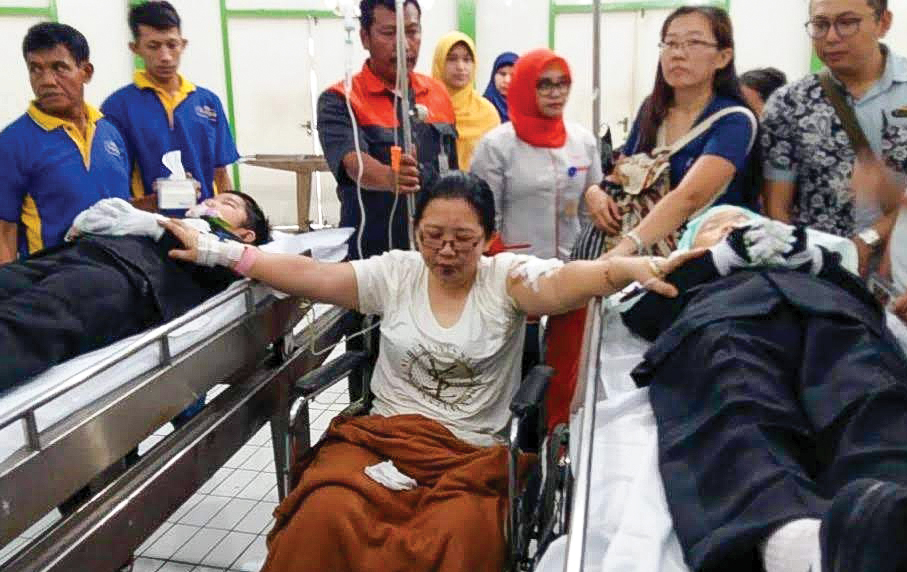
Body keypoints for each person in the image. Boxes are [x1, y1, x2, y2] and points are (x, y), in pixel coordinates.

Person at [158, 171, 702, 572]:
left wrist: (631, 266)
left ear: (488, 237)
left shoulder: (506, 279)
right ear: (416, 231)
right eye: (432, 236)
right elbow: (310, 274)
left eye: (463, 239)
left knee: (462, 539)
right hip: (383, 440)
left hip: (470, 456)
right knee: (323, 514)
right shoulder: (395, 274)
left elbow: (570, 281)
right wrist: (220, 251)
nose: (445, 251)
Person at [620, 205, 907, 572]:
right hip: (722, 318)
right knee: (737, 396)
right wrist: (713, 262)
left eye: (743, 222)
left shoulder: (821, 269)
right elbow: (639, 312)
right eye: (715, 227)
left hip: (832, 314)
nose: (733, 227)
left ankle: (889, 506)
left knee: (868, 386)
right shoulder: (688, 272)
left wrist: (820, 263)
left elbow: (870, 304)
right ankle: (792, 542)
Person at [0, 191, 270, 390]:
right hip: (75, 254)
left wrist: (154, 225)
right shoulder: (163, 221)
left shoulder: (229, 250)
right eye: (214, 198)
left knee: (24, 322)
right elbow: (100, 216)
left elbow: (239, 266)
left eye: (228, 204)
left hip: (122, 278)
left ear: (246, 235)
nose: (213, 202)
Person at [582, 6, 759, 260]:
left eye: (694, 42)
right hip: (639, 257)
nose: (678, 53)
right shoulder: (652, 110)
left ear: (723, 57)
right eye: (671, 43)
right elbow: (623, 174)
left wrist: (623, 250)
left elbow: (689, 197)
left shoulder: (735, 121)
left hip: (703, 260)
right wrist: (595, 193)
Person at [761, 0, 904, 275]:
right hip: (823, 278)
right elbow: (777, 208)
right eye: (820, 25)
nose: (831, 37)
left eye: (847, 22)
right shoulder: (789, 103)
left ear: (883, 22)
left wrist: (869, 239)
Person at [317, 0, 458, 260]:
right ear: (364, 38)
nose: (404, 45)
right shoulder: (341, 99)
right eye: (389, 33)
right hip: (371, 253)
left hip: (436, 254)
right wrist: (389, 178)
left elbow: (451, 170)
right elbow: (353, 162)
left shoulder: (437, 94)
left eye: (412, 32)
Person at [0, 23, 131, 264]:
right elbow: (4, 230)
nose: (47, 81)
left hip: (120, 277)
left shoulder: (110, 133)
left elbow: (120, 207)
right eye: (36, 69)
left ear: (86, 72)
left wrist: (158, 201)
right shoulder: (11, 143)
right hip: (52, 285)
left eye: (59, 68)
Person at [101, 1, 240, 205]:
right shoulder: (117, 107)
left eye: (172, 45)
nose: (165, 56)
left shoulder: (208, 102)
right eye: (153, 46)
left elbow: (220, 172)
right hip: (148, 226)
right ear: (135, 48)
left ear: (183, 45)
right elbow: (115, 177)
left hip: (206, 222)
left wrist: (231, 219)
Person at [471, 48, 602, 261]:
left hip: (574, 268)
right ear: (524, 86)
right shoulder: (496, 147)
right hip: (516, 269)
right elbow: (483, 219)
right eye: (544, 84)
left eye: (562, 83)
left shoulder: (583, 142)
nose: (556, 93)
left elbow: (591, 213)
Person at [432, 31, 500, 170]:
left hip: (477, 189)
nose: (461, 67)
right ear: (439, 62)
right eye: (451, 59)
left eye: (467, 59)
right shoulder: (425, 108)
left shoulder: (487, 112)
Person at [483, 51, 518, 122]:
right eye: (502, 74)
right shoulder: (482, 107)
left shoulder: (527, 109)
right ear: (493, 76)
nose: (507, 80)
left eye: (513, 75)